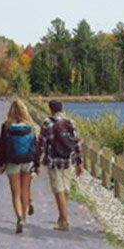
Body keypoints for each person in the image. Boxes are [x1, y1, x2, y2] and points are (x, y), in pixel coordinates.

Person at [39, 99, 83, 231]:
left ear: (50, 109)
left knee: (58, 190)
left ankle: (64, 222)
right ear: (62, 108)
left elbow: (42, 143)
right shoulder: (70, 122)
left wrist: (37, 160)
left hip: (54, 161)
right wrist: (79, 163)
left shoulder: (47, 123)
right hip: (68, 160)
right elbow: (76, 143)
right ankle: (61, 218)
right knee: (65, 189)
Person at [0, 99, 39, 234]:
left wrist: (1, 164)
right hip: (27, 161)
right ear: (24, 110)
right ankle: (25, 218)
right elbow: (36, 146)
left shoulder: (6, 126)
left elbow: (2, 147)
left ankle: (19, 217)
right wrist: (37, 164)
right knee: (25, 191)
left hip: (12, 162)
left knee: (15, 193)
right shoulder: (30, 125)